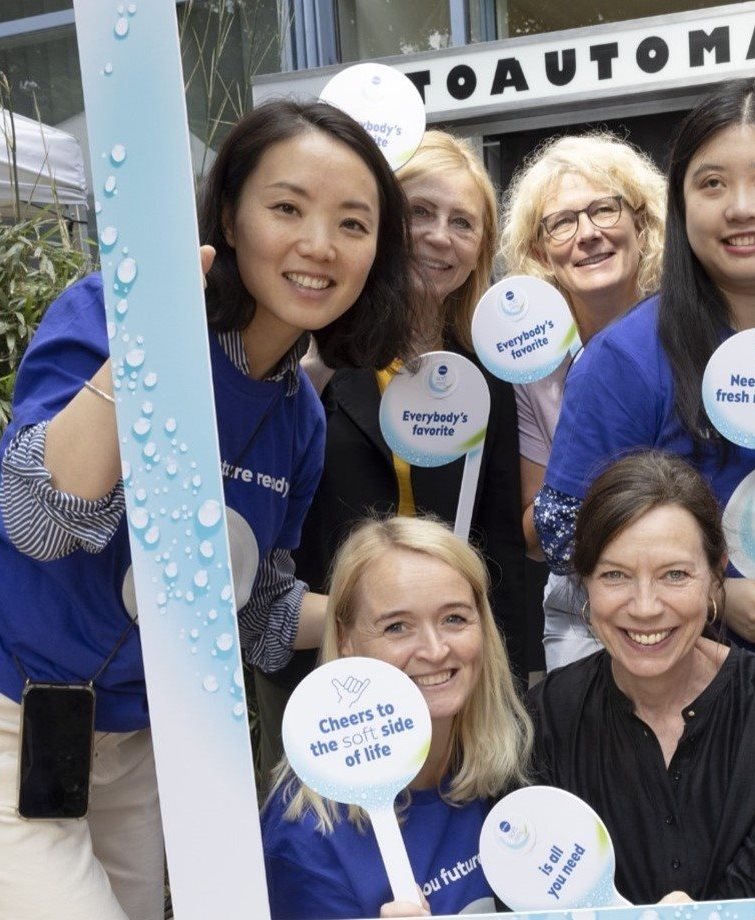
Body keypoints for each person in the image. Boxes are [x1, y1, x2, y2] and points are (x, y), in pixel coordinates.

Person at [0, 99, 415, 920]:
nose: (318, 246)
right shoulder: (110, 311)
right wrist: (150, 340)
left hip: (140, 741)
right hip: (13, 715)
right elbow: (40, 521)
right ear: (229, 213)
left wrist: (388, 618)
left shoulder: (298, 414)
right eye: (287, 208)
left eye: (352, 223)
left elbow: (252, 609)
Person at [536, 80, 755, 725]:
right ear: (680, 206)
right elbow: (561, 529)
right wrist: (712, 593)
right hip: (670, 717)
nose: (742, 207)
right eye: (711, 184)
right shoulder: (627, 359)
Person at [257, 131, 529, 777]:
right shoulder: (307, 352)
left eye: (463, 223)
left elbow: (499, 539)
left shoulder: (485, 374)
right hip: (322, 668)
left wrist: (517, 677)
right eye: (420, 213)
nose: (440, 236)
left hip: (448, 671)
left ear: (480, 250)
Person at [530, 451, 755, 904]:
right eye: (615, 575)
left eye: (674, 575)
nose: (645, 606)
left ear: (715, 577)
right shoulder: (547, 719)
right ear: (584, 581)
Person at [262, 516, 533, 919]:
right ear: (347, 641)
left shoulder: (518, 764)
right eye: (397, 627)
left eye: (454, 618)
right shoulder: (307, 836)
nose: (435, 649)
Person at [499, 132, 666, 669]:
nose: (588, 234)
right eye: (562, 222)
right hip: (582, 613)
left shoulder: (684, 335)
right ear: (540, 250)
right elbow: (534, 533)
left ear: (642, 225)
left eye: (604, 210)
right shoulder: (530, 367)